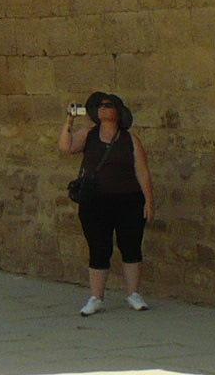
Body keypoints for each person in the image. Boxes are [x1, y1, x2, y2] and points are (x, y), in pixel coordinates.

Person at [59, 91, 154, 314]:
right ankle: (96, 297)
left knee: (131, 246)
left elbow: (142, 172)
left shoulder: (130, 140)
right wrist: (69, 121)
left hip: (128, 200)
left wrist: (149, 201)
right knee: (98, 247)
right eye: (100, 105)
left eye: (108, 105)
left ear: (117, 112)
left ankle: (133, 294)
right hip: (95, 201)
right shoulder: (89, 135)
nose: (103, 108)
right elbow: (66, 147)